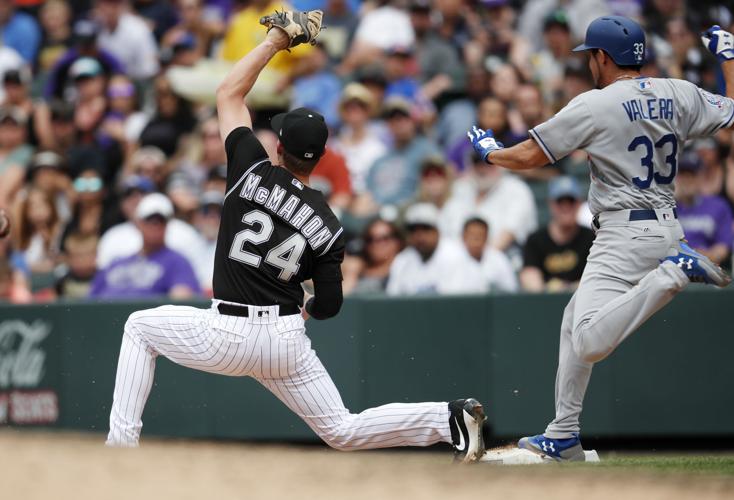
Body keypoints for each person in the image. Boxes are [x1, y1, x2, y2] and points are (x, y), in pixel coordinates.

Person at [105, 14, 487, 462]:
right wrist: (304, 309)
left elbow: (229, 91)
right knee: (341, 428)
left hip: (225, 332)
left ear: (279, 146)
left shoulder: (250, 164)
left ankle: (120, 451)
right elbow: (329, 305)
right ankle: (448, 419)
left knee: (139, 328)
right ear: (321, 157)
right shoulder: (329, 221)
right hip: (284, 341)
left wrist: (277, 41)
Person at [467, 17, 733, 461]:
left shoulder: (595, 103)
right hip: (665, 221)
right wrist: (727, 53)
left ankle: (674, 273)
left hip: (626, 232)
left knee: (588, 339)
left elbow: (532, 154)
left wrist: (491, 151)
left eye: (591, 54)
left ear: (603, 57)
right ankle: (564, 434)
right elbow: (731, 105)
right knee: (574, 321)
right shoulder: (678, 91)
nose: (589, 61)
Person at [90, 193, 200, 299]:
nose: (155, 225)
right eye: (150, 220)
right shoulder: (117, 262)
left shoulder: (177, 262)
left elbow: (182, 300)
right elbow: (90, 301)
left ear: (167, 225)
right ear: (138, 224)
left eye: (161, 220)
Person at [386, 203, 487, 296]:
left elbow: (452, 304)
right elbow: (392, 300)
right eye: (413, 230)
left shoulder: (455, 255)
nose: (419, 235)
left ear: (438, 231)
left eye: (426, 229)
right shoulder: (402, 260)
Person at [520, 176, 595, 292]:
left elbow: (596, 279)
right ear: (551, 204)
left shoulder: (591, 238)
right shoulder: (535, 240)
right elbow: (530, 279)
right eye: (560, 202)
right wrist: (548, 289)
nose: (566, 207)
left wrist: (567, 288)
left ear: (579, 204)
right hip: (545, 306)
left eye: (571, 202)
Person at [675, 151, 733, 266]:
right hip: (670, 270)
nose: (687, 179)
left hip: (706, 271)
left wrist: (698, 256)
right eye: (683, 174)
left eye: (692, 174)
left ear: (701, 177)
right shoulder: (667, 207)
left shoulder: (718, 206)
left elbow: (723, 248)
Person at [342, 218, 403, 295]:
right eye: (370, 239)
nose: (376, 244)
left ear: (397, 242)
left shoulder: (404, 269)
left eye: (384, 238)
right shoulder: (356, 270)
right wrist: (350, 274)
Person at [462, 217, 518, 293]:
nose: (476, 239)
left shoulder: (498, 258)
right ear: (464, 237)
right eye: (472, 235)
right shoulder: (452, 258)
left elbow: (511, 290)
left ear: (487, 237)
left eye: (480, 235)